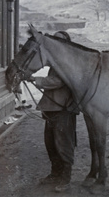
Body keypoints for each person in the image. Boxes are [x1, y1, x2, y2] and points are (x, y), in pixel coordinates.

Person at [29, 31, 79, 192]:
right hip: (51, 108)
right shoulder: (56, 60)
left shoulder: (69, 61)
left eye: (59, 40)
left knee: (63, 144)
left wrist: (36, 79)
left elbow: (58, 81)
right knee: (50, 144)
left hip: (63, 109)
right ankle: (55, 173)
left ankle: (65, 178)